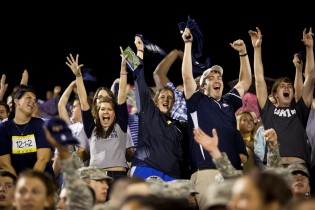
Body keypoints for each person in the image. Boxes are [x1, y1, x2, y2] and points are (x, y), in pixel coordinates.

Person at [181, 25, 252, 209]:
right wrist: (188, 44)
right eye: (211, 78)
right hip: (207, 172)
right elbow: (187, 77)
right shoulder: (197, 101)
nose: (217, 79)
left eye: (218, 76)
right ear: (203, 86)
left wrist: (243, 53)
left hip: (233, 173)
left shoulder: (229, 101)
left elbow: (245, 81)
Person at [249, 27, 314, 168]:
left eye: (289, 86)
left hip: (299, 167)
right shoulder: (268, 110)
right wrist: (257, 48)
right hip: (275, 167)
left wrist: (309, 48)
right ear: (275, 94)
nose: (286, 88)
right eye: (282, 86)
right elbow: (259, 80)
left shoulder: (300, 111)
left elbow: (310, 79)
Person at [66, 52, 133, 180]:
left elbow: (122, 96)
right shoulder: (92, 127)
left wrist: (123, 69)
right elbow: (83, 101)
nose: (106, 112)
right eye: (102, 109)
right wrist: (78, 76)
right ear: (98, 111)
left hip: (118, 177)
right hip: (95, 177)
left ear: (115, 112)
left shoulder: (121, 125)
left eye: (109, 109)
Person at [130, 35, 187, 181]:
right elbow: (138, 78)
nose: (166, 99)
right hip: (145, 169)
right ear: (155, 101)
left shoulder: (179, 126)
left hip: (172, 176)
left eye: (170, 98)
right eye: (162, 97)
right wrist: (138, 51)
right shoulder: (147, 110)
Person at [0, 84, 54, 179]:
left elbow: (43, 159)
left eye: (34, 100)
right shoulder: (3, 128)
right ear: (17, 101)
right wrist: (17, 186)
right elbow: (5, 164)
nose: (32, 102)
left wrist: (29, 184)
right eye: (28, 97)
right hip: (15, 181)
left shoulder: (41, 125)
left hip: (41, 180)